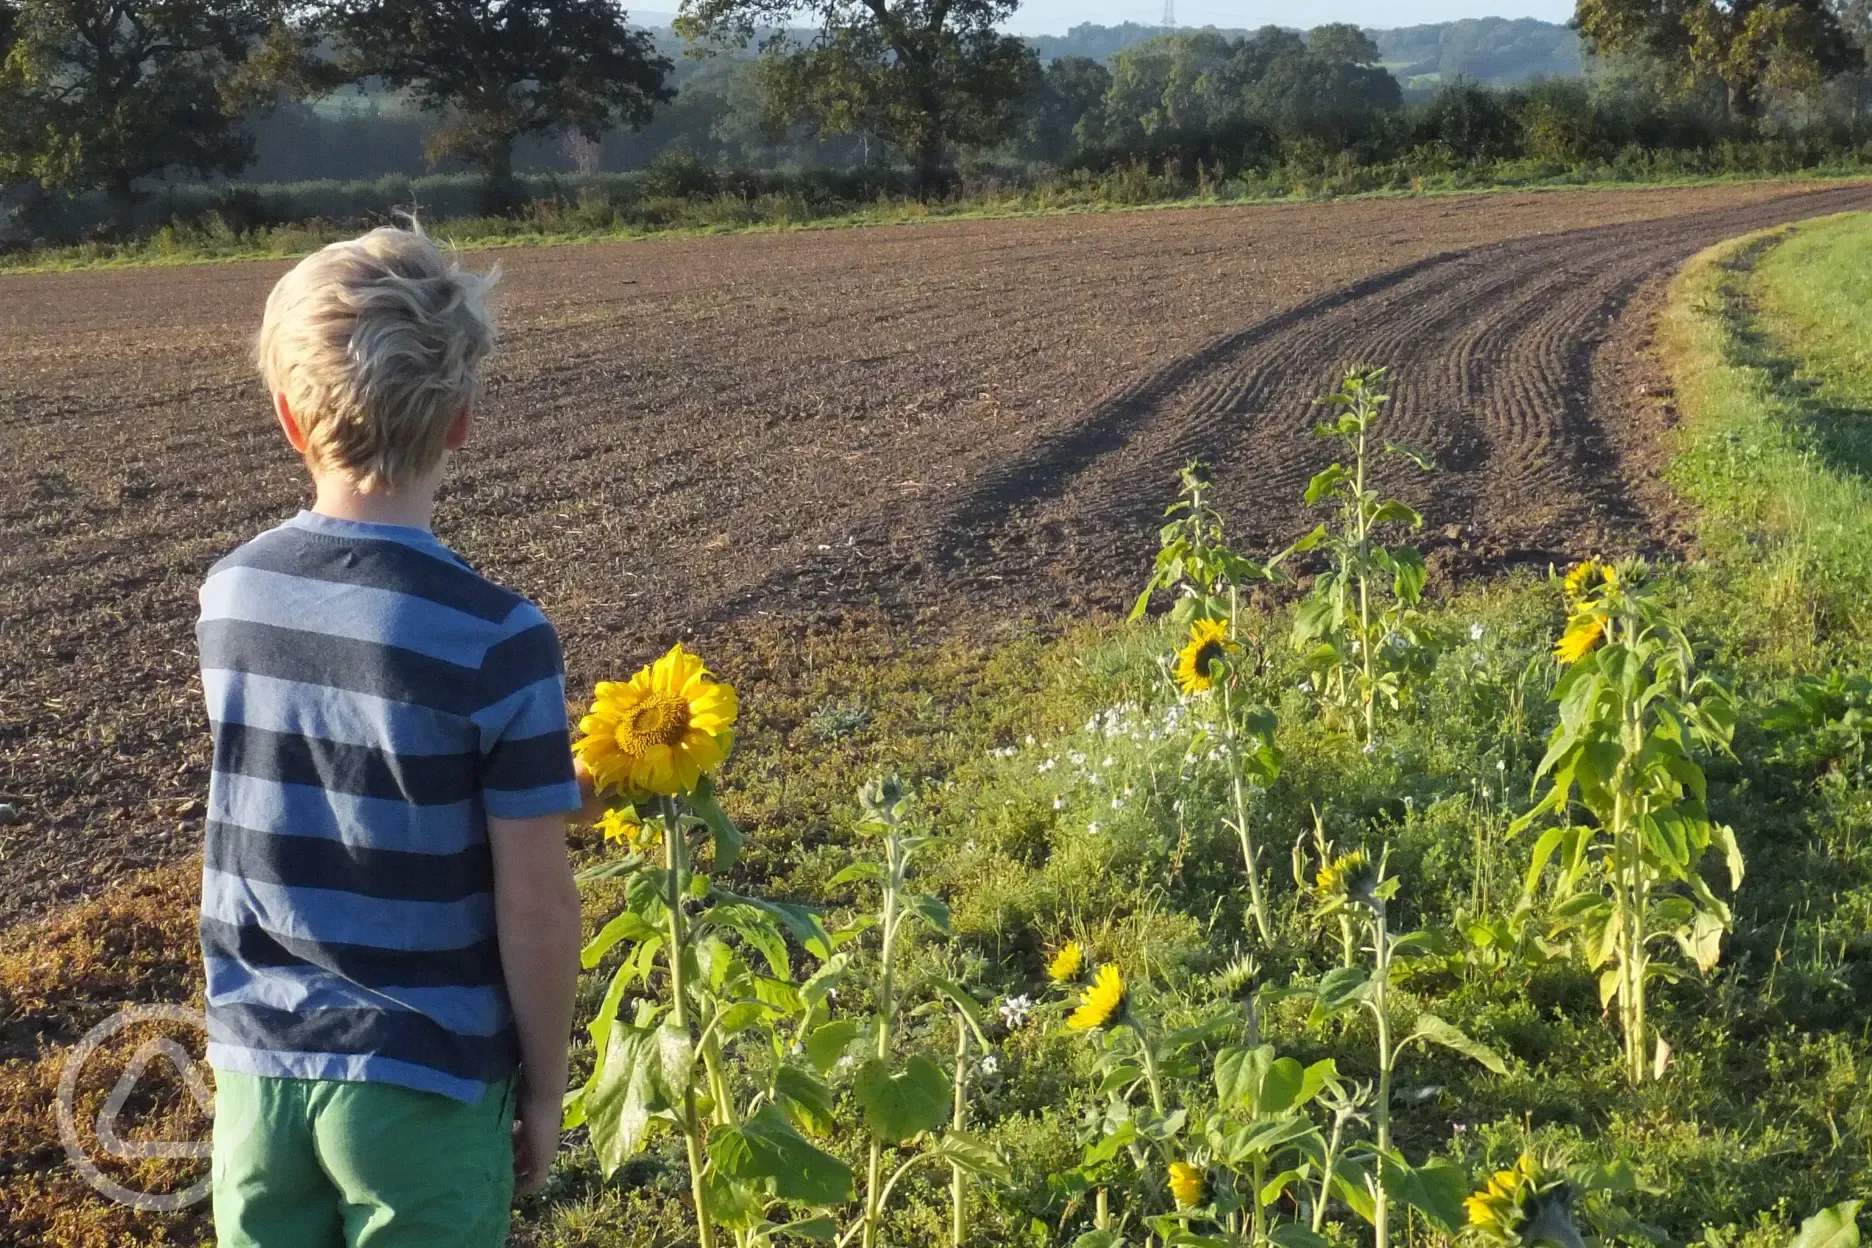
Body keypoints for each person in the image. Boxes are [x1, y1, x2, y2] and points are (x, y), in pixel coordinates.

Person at [196, 225, 589, 1246]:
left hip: (256, 1078)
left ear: (288, 416)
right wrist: (544, 1091)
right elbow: (537, 904)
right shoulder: (500, 640)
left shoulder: (232, 598)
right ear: (463, 420)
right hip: (424, 1086)